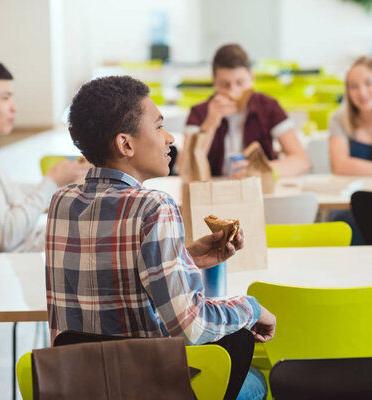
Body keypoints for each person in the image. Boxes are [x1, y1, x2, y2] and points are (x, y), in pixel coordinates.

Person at [46, 75, 276, 400]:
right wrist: (251, 308)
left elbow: (111, 274)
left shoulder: (62, 201)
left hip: (78, 385)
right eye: (158, 127)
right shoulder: (155, 206)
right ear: (126, 144)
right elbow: (191, 328)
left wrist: (186, 259)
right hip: (145, 387)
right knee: (256, 382)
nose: (169, 138)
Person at [0, 59, 89, 252]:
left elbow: (9, 193)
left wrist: (65, 186)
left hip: (27, 244)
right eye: (5, 98)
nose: (14, 107)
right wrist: (51, 181)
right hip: (15, 259)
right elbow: (6, 236)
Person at [182, 43, 309, 178]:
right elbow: (184, 168)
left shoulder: (268, 107)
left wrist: (260, 169)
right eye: (225, 85)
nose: (233, 91)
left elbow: (301, 161)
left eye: (240, 83)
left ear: (251, 79)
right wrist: (210, 123)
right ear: (214, 82)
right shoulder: (199, 113)